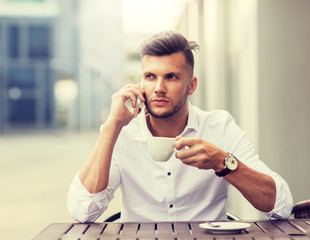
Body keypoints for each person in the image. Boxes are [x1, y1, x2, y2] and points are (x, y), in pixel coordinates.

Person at [67, 31, 293, 223]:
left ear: (191, 86)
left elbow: (281, 206)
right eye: (150, 76)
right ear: (141, 82)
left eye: (172, 77)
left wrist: (222, 163)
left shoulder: (219, 126)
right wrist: (111, 125)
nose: (159, 88)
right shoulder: (122, 133)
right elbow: (82, 211)